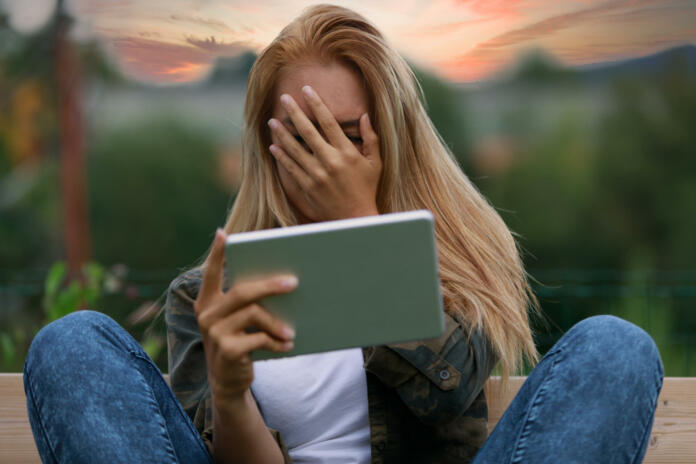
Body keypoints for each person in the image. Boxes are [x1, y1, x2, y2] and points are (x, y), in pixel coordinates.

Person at [23, 4, 663, 464]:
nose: (325, 161)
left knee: (615, 347)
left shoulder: (452, 262)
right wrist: (230, 391)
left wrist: (361, 222)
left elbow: (452, 399)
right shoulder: (210, 297)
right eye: (304, 137)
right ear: (268, 147)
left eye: (348, 136)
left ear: (393, 137)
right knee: (72, 343)